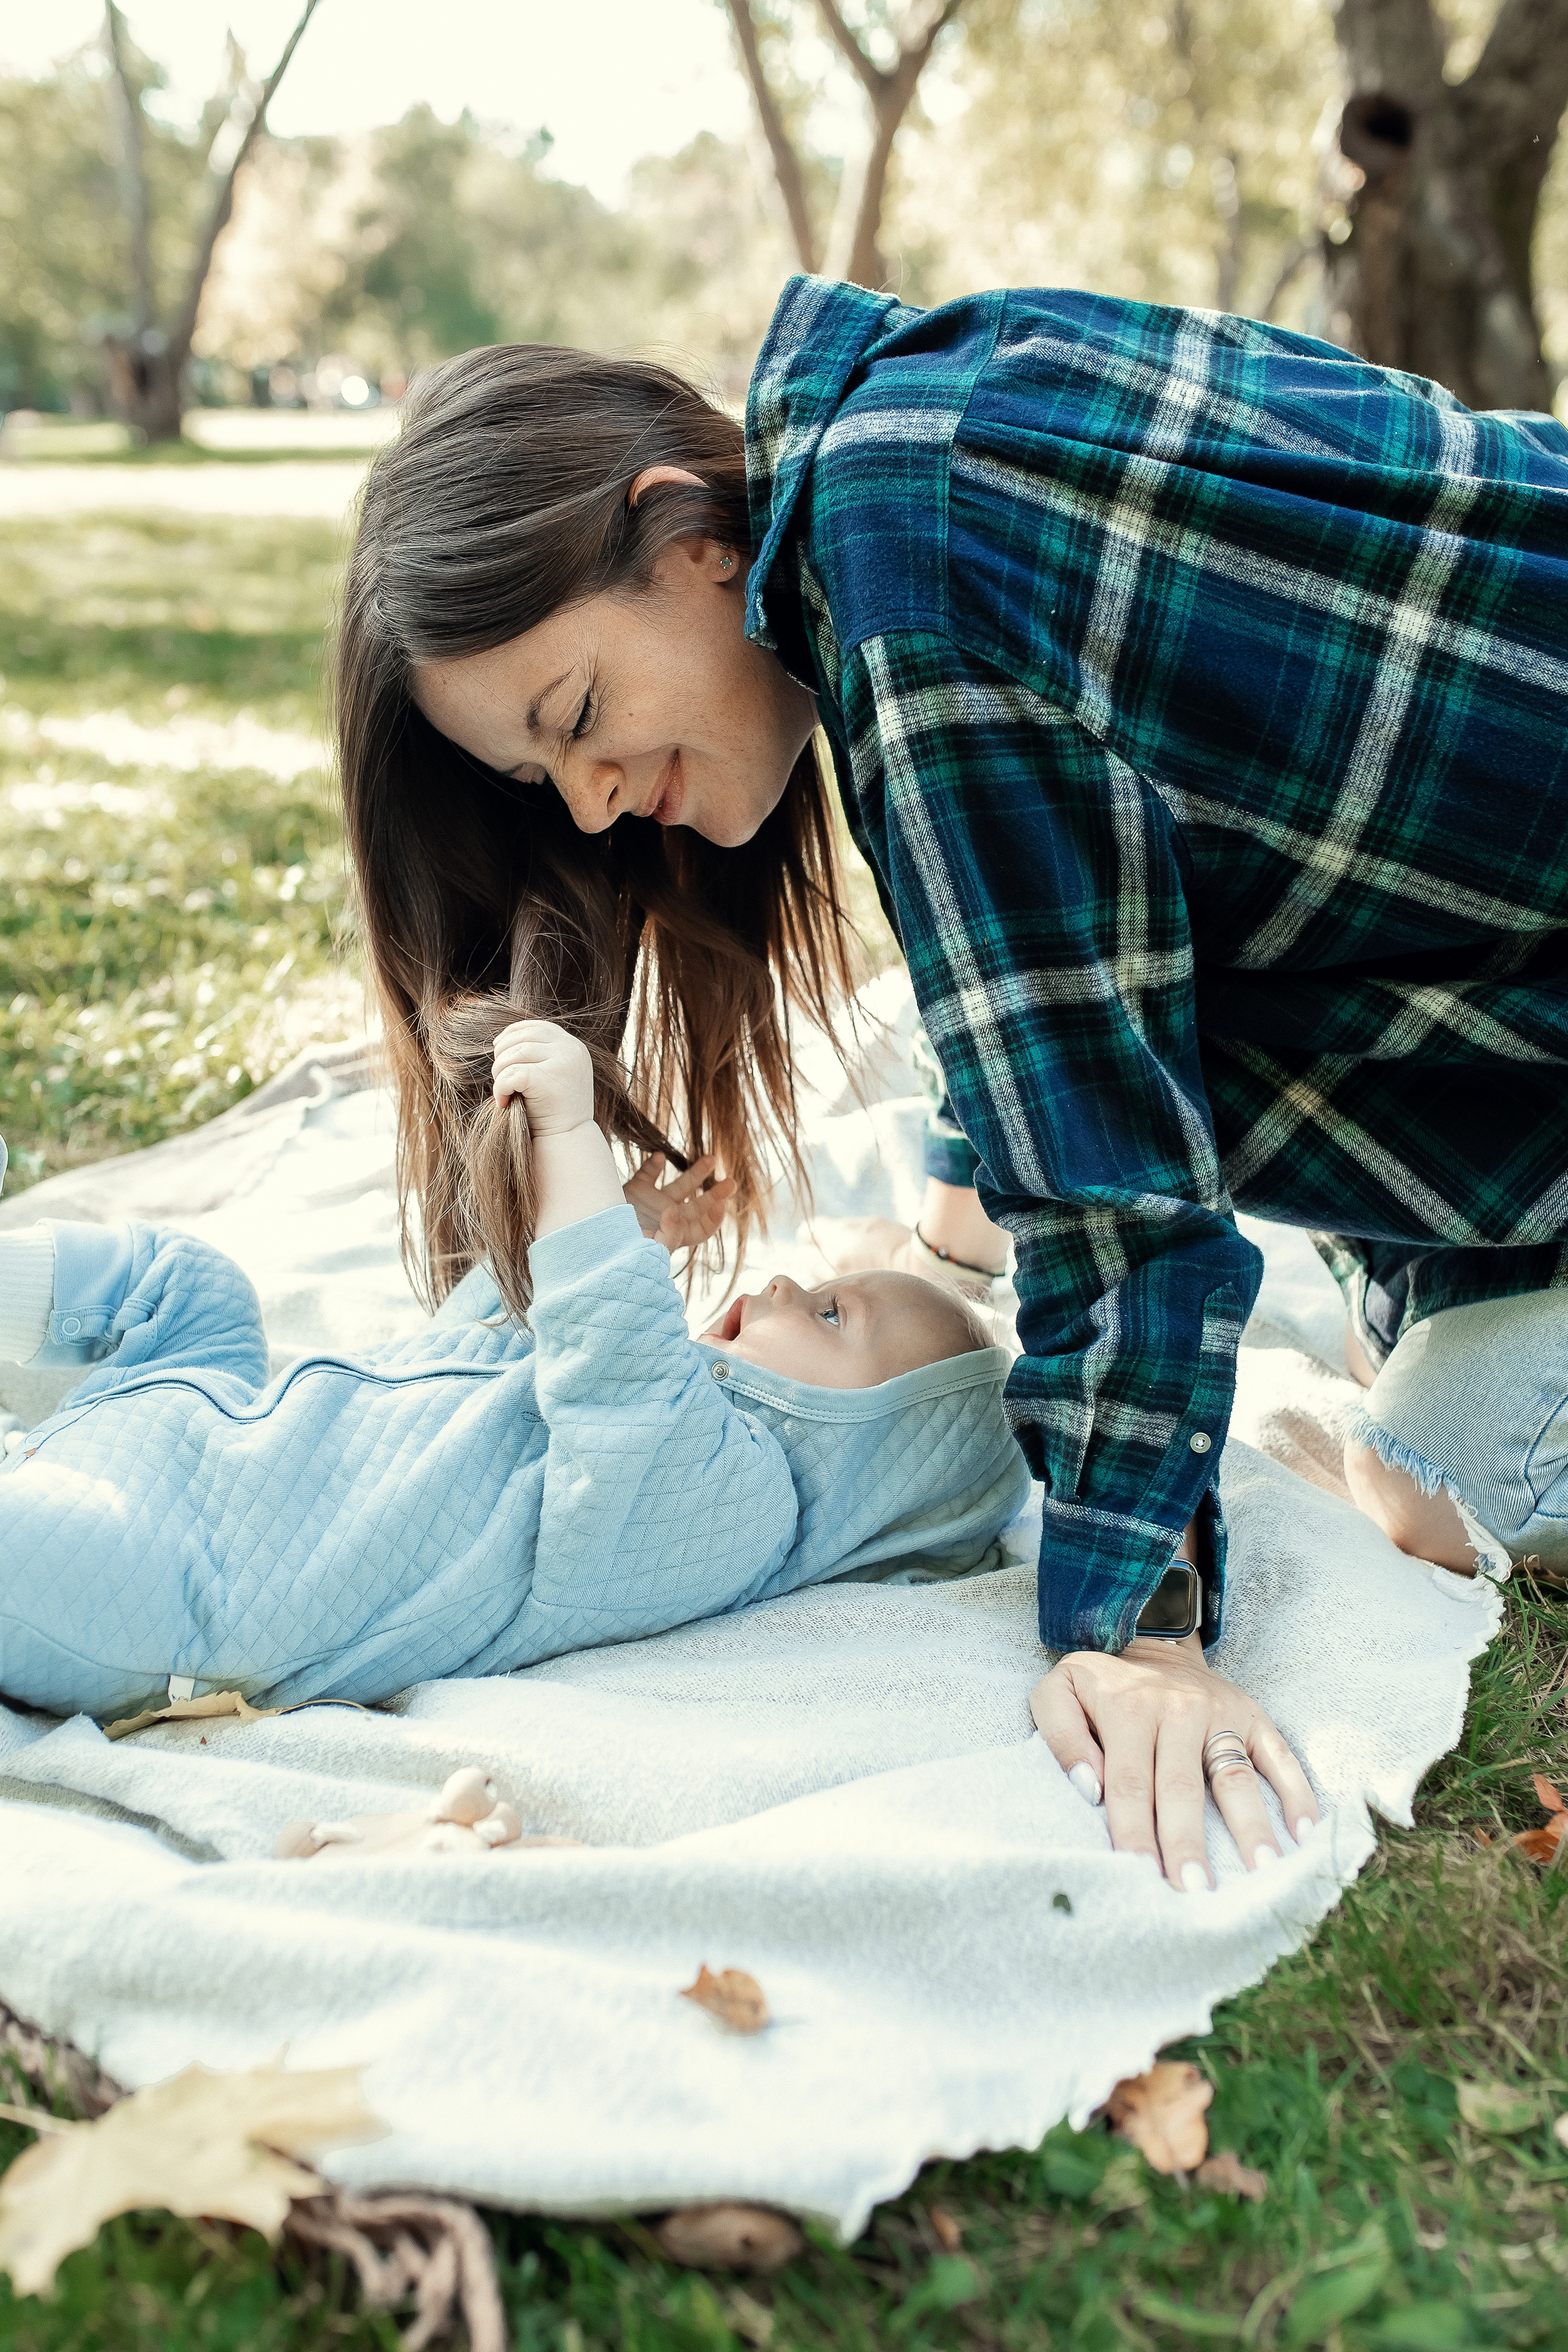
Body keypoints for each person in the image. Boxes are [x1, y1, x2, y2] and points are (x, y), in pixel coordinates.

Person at [334, 277, 1567, 1890]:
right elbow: (1086, 919)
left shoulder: (910, 580)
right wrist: (950, 1226)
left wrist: (1135, 1622)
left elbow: (1111, 1179)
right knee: (1394, 1335)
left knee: (1440, 1481)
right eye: (534, 775)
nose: (590, 799)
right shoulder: (920, 416)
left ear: (686, 534)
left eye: (578, 717)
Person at [0, 1012, 1032, 1724]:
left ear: (870, 1451)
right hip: (208, 1421)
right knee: (188, 1285)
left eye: (827, 1311)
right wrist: (624, 1221)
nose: (773, 1289)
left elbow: (617, 1356)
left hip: (178, 1582)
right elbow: (491, 1338)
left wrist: (573, 1140)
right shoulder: (641, 1421)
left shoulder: (735, 1516)